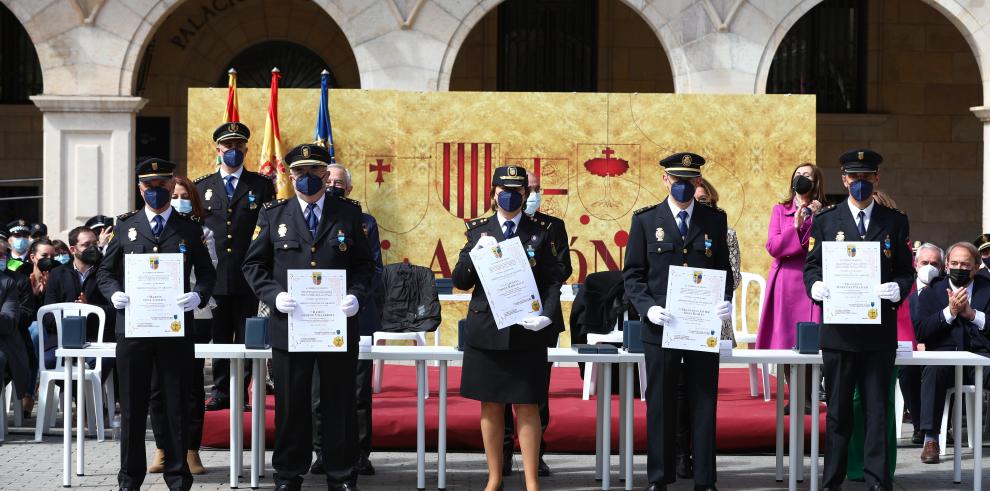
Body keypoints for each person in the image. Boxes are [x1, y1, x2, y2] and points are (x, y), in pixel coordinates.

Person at [243, 143, 373, 491]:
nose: (307, 177)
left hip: (336, 327)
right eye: (300, 172)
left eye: (315, 171)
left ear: (325, 174)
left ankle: (342, 473)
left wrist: (356, 296)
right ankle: (288, 474)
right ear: (289, 174)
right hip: (292, 325)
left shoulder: (348, 214)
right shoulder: (274, 214)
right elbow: (253, 264)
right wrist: (274, 295)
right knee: (291, 403)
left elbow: (365, 265)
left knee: (339, 401)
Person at [96, 157, 216, 490]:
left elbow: (207, 272)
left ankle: (178, 479)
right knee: (133, 408)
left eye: (162, 186)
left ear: (170, 185)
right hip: (133, 328)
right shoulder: (125, 226)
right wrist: (114, 293)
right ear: (140, 189)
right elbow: (104, 271)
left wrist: (198, 297)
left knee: (177, 404)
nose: (156, 192)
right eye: (149, 187)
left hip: (174, 329)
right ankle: (129, 480)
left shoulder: (190, 227)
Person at [622, 153, 734, 491]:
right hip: (661, 326)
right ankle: (659, 477)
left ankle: (705, 479)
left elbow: (724, 272)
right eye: (677, 180)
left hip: (702, 329)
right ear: (665, 180)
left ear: (698, 182)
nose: (683, 186)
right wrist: (647, 308)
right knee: (660, 403)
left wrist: (724, 300)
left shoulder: (714, 220)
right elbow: (634, 275)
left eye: (689, 181)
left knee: (704, 401)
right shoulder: (645, 221)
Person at [804, 149, 914, 491]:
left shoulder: (894, 221)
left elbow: (905, 271)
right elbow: (812, 267)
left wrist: (898, 288)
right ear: (844, 180)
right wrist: (816, 287)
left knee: (877, 411)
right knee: (837, 413)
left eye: (867, 177)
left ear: (876, 179)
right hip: (838, 334)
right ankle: (832, 480)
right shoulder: (826, 221)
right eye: (855, 178)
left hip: (878, 334)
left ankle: (878, 480)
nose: (861, 183)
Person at [453, 165, 562, 491]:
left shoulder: (541, 231)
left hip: (526, 330)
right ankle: (494, 477)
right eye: (504, 189)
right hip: (488, 329)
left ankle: (531, 482)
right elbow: (460, 280)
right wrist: (475, 254)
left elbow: (554, 280)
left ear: (525, 195)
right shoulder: (478, 231)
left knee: (528, 404)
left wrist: (549, 316)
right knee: (491, 404)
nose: (511, 195)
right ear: (493, 193)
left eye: (517, 190)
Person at [195, 121, 276, 411]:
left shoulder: (261, 185)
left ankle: (240, 391)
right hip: (215, 276)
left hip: (248, 275)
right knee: (219, 337)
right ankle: (220, 391)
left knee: (245, 337)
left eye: (238, 146)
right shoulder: (202, 186)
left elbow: (268, 231)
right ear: (218, 150)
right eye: (228, 146)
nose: (233, 150)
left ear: (246, 149)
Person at [310, 162, 384, 477]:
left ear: (349, 188)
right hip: (316, 320)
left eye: (339, 182)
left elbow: (374, 267)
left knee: (356, 391)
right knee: (317, 392)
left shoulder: (364, 222)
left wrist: (355, 296)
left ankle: (360, 454)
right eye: (329, 180)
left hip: (354, 316)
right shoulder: (310, 219)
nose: (333, 185)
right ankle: (321, 453)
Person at [497, 169, 571, 478]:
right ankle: (501, 455)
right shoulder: (490, 228)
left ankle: (535, 454)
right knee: (499, 390)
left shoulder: (552, 227)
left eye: (536, 189)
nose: (532, 194)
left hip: (537, 317)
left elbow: (562, 269)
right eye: (530, 188)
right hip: (501, 318)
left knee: (535, 390)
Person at [147, 175, 219, 475]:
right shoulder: (146, 229)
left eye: (183, 195)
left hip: (193, 314)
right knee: (157, 388)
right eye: (172, 194)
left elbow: (209, 268)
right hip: (154, 316)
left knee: (191, 386)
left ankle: (191, 450)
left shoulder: (200, 232)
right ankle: (162, 448)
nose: (177, 200)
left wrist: (189, 291)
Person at [756, 164, 825, 412]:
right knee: (786, 338)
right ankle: (793, 395)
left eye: (807, 175)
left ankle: (808, 395)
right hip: (786, 280)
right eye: (798, 174)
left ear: (816, 182)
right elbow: (773, 246)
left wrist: (816, 219)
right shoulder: (780, 210)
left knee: (808, 338)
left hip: (812, 280)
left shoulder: (825, 212)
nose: (802, 179)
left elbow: (822, 247)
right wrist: (795, 226)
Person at [915, 242, 990, 463]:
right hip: (945, 358)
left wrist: (972, 314)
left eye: (965, 264)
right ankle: (931, 439)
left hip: (981, 357)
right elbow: (922, 331)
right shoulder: (931, 292)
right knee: (933, 372)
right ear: (946, 265)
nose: (960, 267)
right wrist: (950, 312)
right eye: (955, 263)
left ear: (976, 267)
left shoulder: (987, 289)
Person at [42, 226, 116, 374]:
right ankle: (74, 395)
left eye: (95, 244)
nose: (92, 248)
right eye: (86, 245)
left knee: (102, 362)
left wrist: (90, 308)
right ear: (73, 249)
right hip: (62, 340)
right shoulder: (58, 274)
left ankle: (84, 395)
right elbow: (48, 316)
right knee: (50, 361)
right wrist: (74, 316)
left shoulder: (106, 272)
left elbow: (116, 310)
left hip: (97, 339)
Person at [899, 242, 943, 445]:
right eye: (925, 262)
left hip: (940, 349)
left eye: (935, 263)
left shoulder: (946, 289)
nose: (929, 266)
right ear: (916, 264)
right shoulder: (904, 288)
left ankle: (943, 427)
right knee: (907, 371)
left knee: (944, 370)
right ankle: (918, 426)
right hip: (910, 349)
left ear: (942, 267)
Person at [0, 241, 30, 414]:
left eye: (3, 255)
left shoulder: (8, 283)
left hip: (4, 344)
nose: (1, 259)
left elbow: (9, 322)